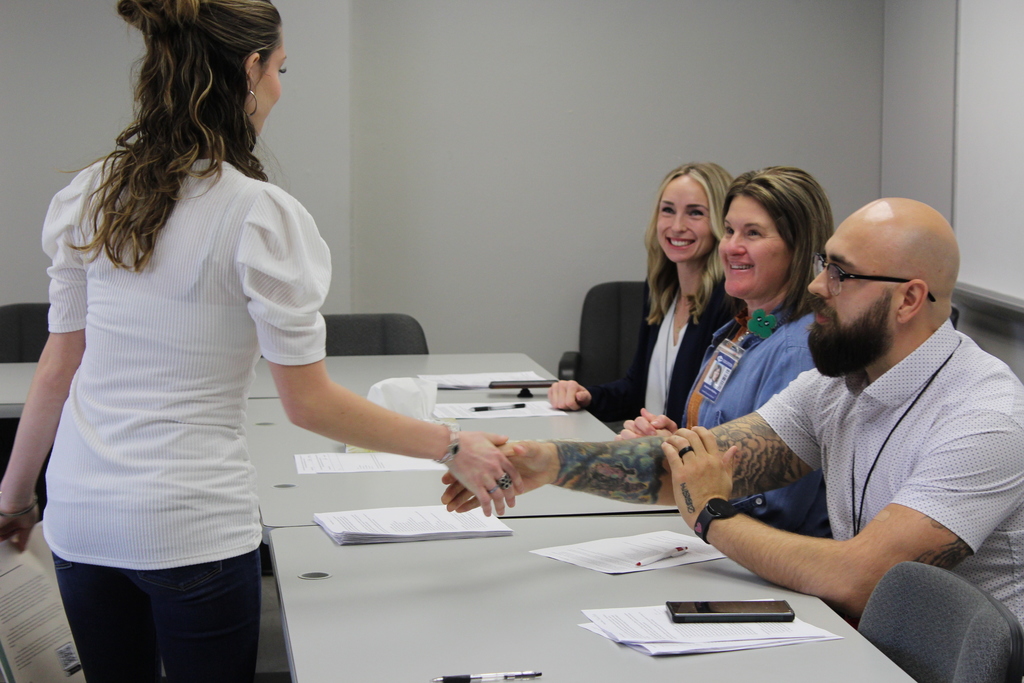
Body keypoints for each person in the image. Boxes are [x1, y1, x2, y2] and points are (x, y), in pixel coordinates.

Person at [0, 2, 521, 681]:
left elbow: (57, 369)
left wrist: (13, 500)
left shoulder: (88, 197)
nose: (281, 86)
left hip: (82, 523)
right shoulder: (258, 215)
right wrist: (452, 444)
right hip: (194, 531)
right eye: (280, 68)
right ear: (249, 71)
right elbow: (308, 404)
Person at [445, 198, 1024, 623]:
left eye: (841, 274)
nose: (821, 286)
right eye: (825, 265)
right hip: (861, 640)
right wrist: (547, 463)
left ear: (909, 299)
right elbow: (700, 464)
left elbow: (862, 579)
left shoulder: (987, 418)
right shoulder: (828, 375)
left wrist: (712, 514)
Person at [623, 166, 834, 537]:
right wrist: (675, 445)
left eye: (753, 233)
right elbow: (721, 453)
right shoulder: (748, 329)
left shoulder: (797, 352)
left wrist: (675, 471)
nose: (731, 246)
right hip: (709, 541)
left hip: (758, 568)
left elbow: (774, 508)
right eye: (731, 230)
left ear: (797, 248)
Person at [547, 163, 733, 423]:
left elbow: (720, 410)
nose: (677, 226)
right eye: (667, 210)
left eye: (695, 213)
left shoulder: (730, 302)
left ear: (722, 223)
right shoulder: (661, 290)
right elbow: (637, 390)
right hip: (647, 447)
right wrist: (586, 396)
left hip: (684, 456)